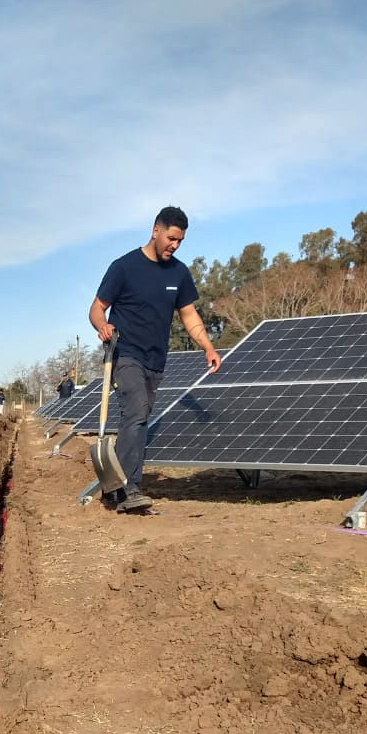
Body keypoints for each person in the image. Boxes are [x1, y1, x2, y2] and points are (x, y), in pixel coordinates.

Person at [89, 206, 221, 513]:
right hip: (125, 353)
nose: (174, 245)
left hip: (156, 359)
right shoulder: (124, 267)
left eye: (180, 241)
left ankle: (114, 488)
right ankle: (127, 490)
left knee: (140, 418)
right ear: (155, 231)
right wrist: (102, 325)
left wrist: (208, 347)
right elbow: (97, 307)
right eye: (171, 238)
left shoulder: (179, 273)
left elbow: (189, 315)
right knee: (135, 411)